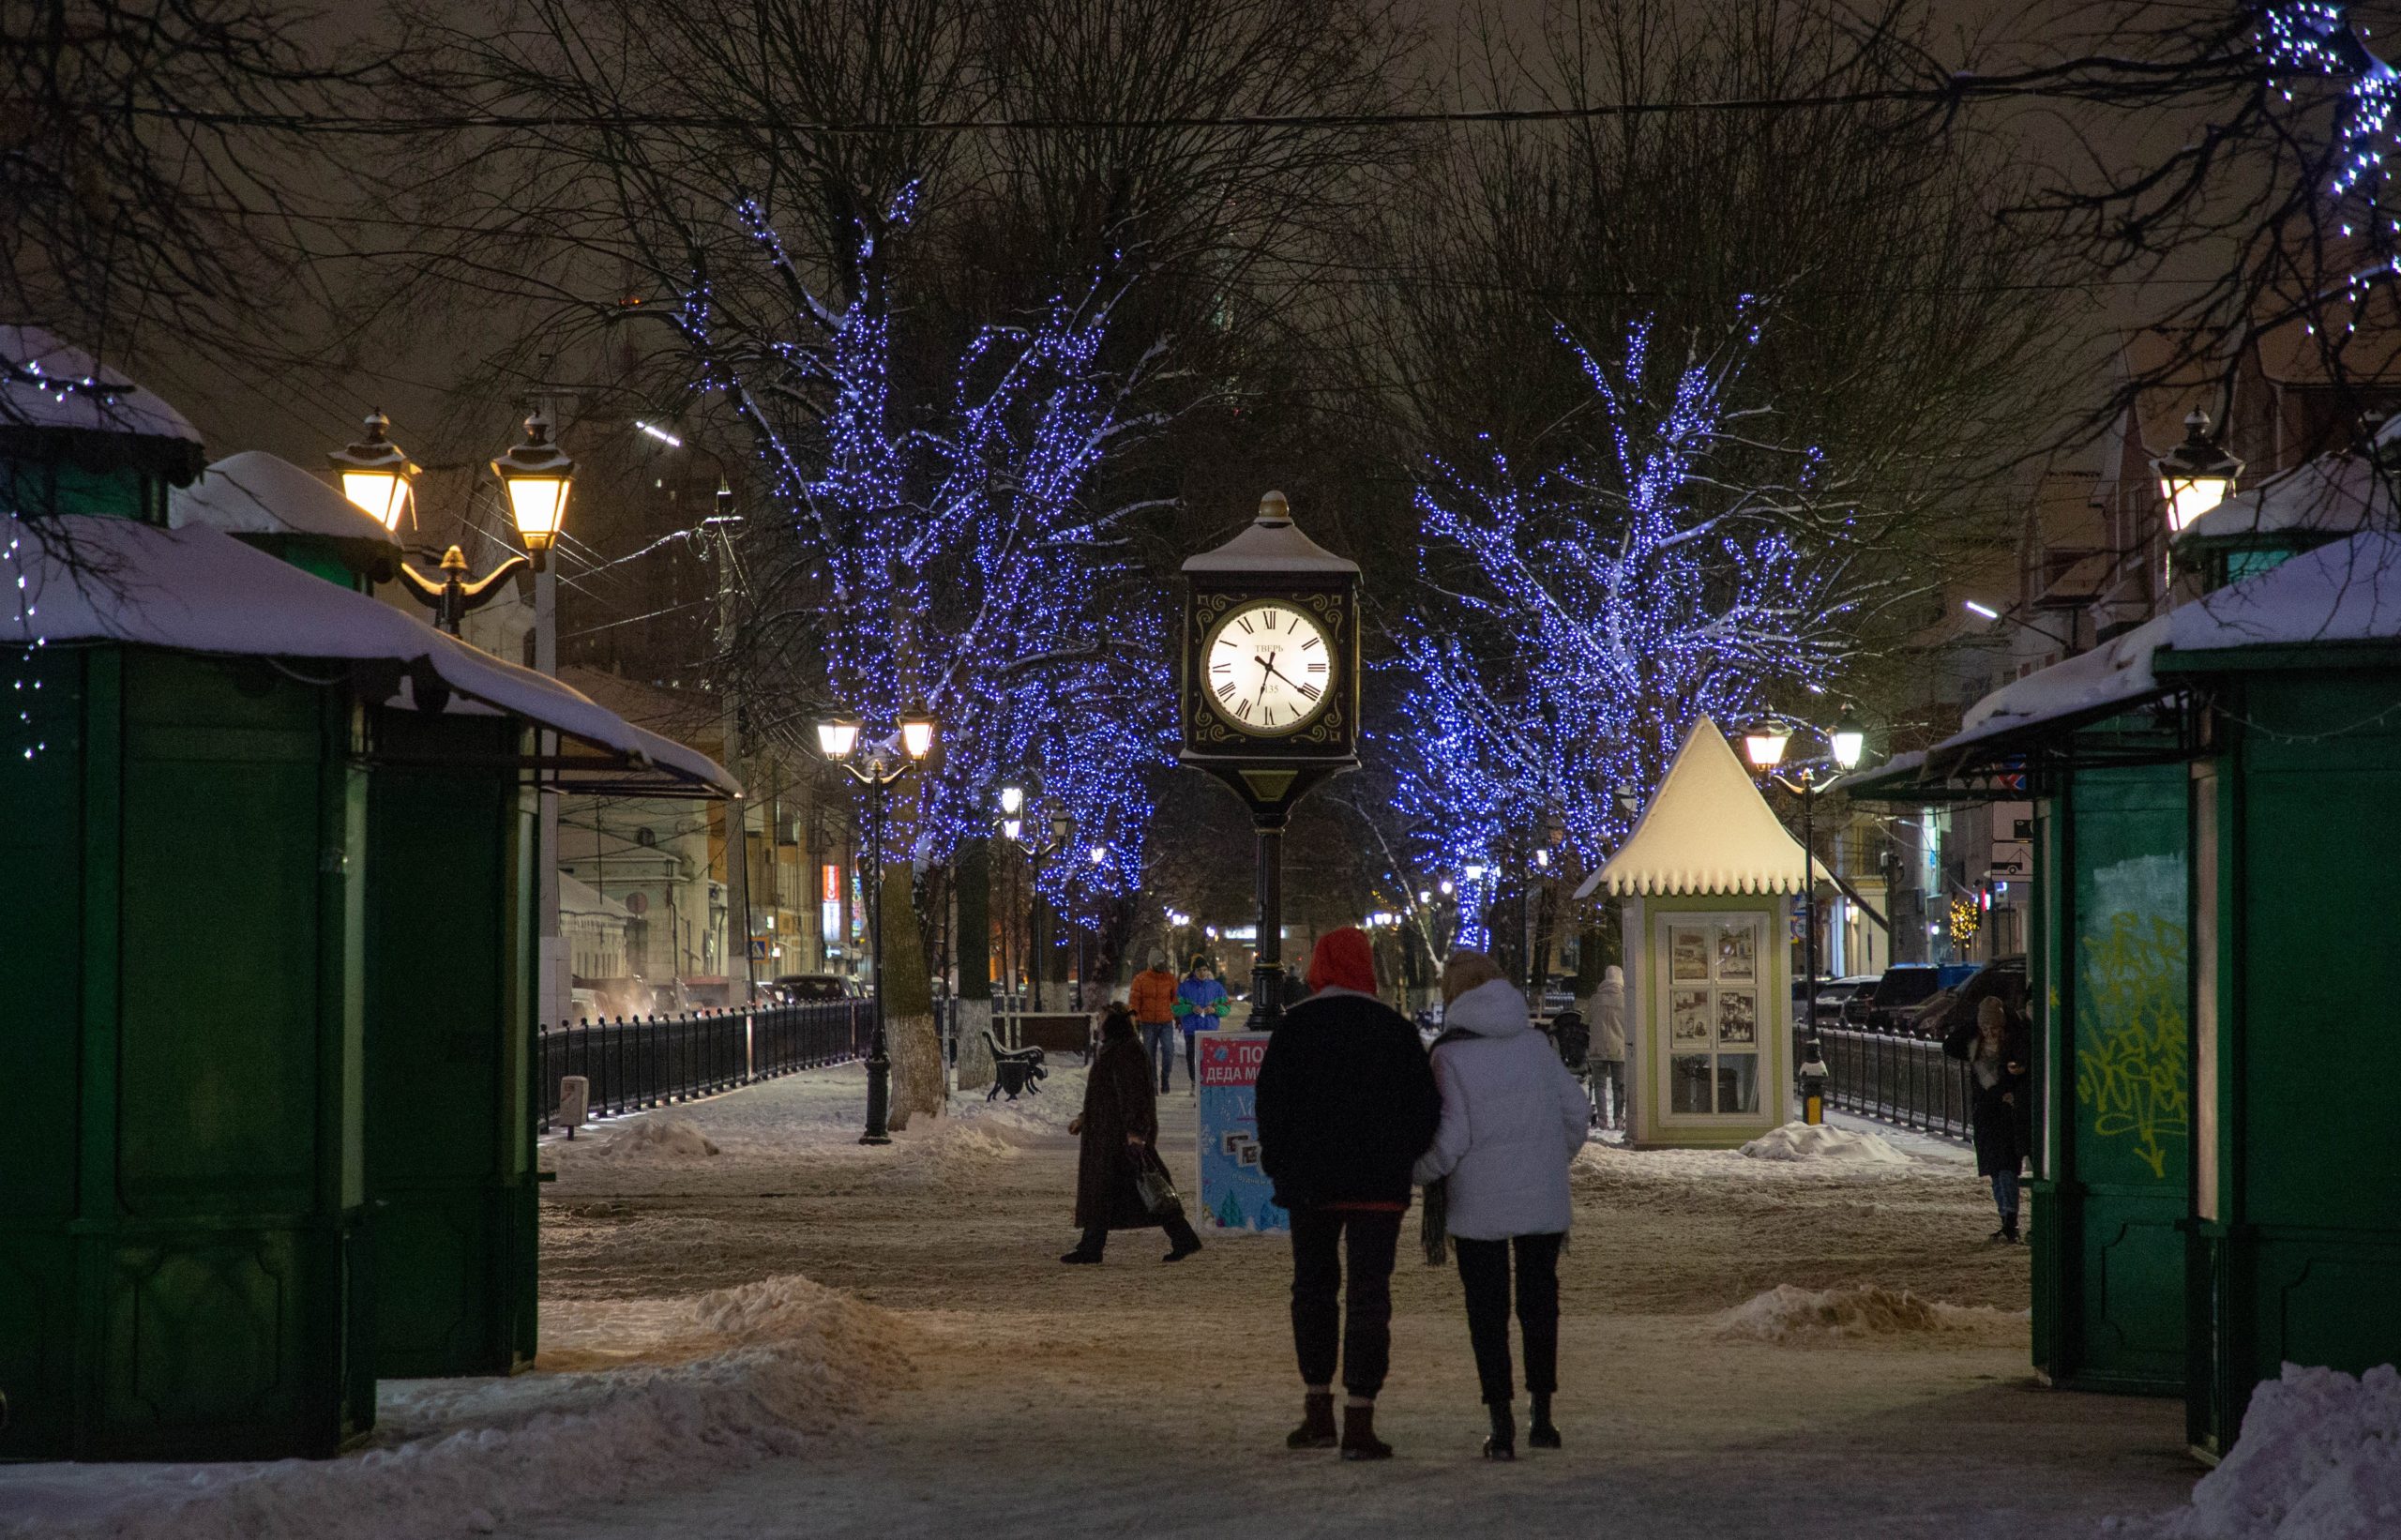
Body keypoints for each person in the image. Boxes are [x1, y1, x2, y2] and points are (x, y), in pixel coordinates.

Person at [1255, 928, 1442, 1461]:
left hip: (1310, 1183)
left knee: (1312, 1290)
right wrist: (1404, 1154)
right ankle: (1361, 1416)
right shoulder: (1396, 1031)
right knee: (1369, 1294)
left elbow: (1270, 1104)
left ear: (1319, 966)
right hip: (1378, 1186)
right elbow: (1426, 1107)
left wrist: (1281, 1164)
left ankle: (1318, 1410)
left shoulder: (1296, 1029)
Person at [1413, 952, 1592, 1460]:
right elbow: (1576, 1113)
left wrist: (1414, 1172)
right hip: (1542, 1196)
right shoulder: (1536, 1045)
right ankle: (1543, 1416)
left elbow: (1451, 1141)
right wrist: (1550, 1159)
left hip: (1478, 1203)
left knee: (1486, 1311)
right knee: (1539, 1305)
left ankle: (1501, 1424)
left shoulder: (1450, 1056)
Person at [1064, 1003, 1204, 1265]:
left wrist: (1137, 1132)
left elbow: (1135, 1094)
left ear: (1112, 1024)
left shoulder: (1126, 1051)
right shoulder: (1115, 1049)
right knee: (1109, 1190)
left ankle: (1181, 1237)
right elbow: (1104, 1094)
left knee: (1147, 1187)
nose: (1097, 1024)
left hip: (1120, 1136)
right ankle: (1091, 1246)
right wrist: (1084, 1119)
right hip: (1108, 1133)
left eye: (1101, 1019)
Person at [1944, 995, 2031, 1243]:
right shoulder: (1974, 1046)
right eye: (1985, 1028)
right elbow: (1950, 1045)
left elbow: (2021, 1067)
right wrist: (1976, 1021)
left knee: (2005, 1169)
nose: (1990, 1033)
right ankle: (2006, 1220)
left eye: (1995, 1027)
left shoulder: (2014, 1044)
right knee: (1996, 1170)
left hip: (2006, 1114)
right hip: (1987, 1114)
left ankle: (2009, 1221)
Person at [1175, 958, 1231, 1094]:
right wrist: (1190, 1008)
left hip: (1209, 1029)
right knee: (1192, 1057)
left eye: (1205, 970)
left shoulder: (1216, 987)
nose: (1202, 973)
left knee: (1209, 1058)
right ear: (1193, 971)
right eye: (1199, 970)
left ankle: (1207, 1083)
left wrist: (1215, 1010)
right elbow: (1175, 1007)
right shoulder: (1184, 988)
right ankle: (1195, 1082)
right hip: (1191, 1030)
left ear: (1208, 971)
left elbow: (1226, 1007)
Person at [1130, 949, 1183, 1094]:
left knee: (1168, 1051)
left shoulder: (1169, 979)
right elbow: (1134, 1001)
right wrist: (1135, 1018)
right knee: (1149, 1053)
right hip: (1148, 1023)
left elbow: (1176, 1000)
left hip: (1166, 1022)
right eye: (1158, 962)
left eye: (1162, 962)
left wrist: (1179, 1018)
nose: (1161, 964)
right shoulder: (1140, 979)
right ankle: (1153, 1081)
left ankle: (1165, 1077)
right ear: (1151, 963)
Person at [1589, 964, 1628, 1130]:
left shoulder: (1595, 999)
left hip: (1597, 1049)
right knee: (1619, 1085)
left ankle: (1602, 1119)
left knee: (1599, 1085)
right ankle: (1619, 1119)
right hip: (1619, 1048)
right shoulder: (1625, 1000)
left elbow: (1585, 1020)